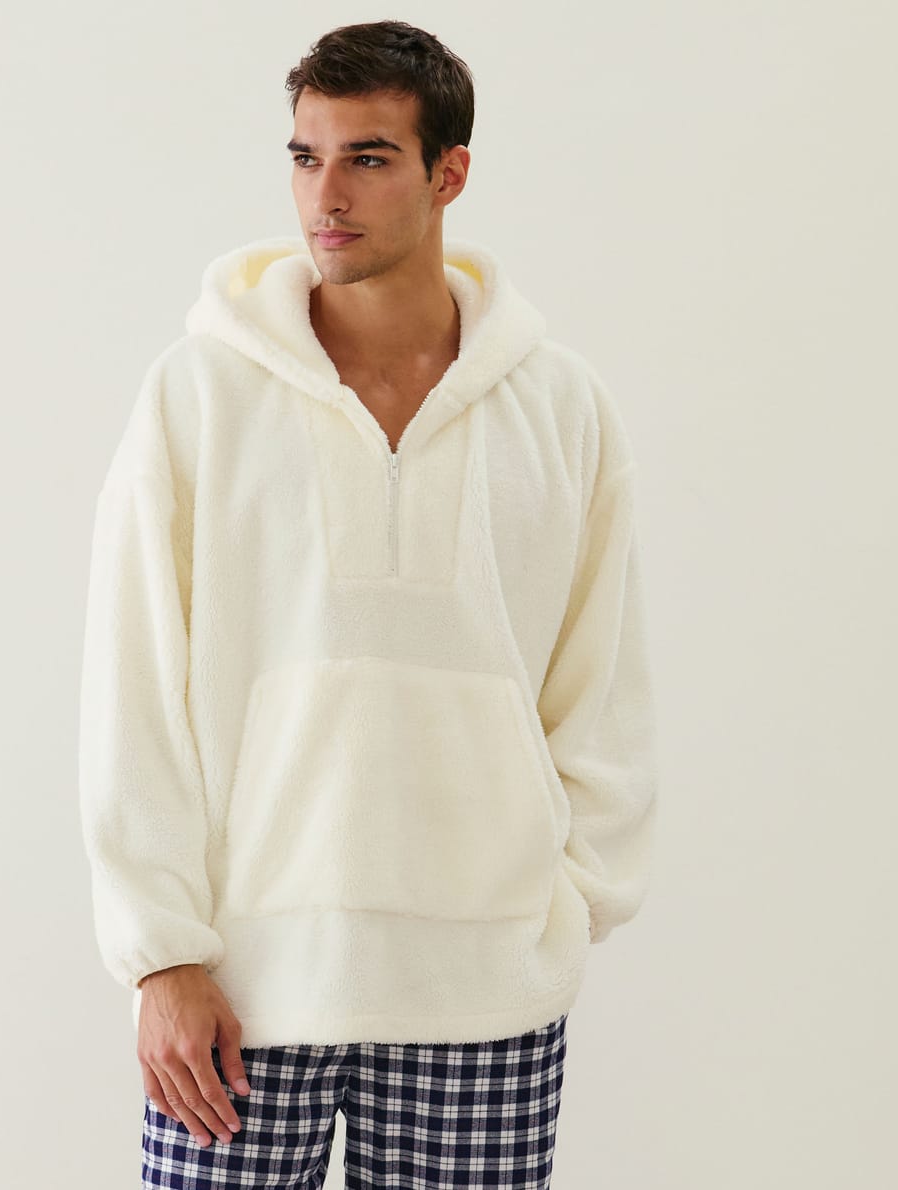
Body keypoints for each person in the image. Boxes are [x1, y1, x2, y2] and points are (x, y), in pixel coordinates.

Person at [78, 18, 659, 1189]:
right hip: (241, 987)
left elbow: (600, 678)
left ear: (450, 172)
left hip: (486, 988)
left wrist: (567, 901)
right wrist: (160, 954)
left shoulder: (561, 406)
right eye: (305, 156)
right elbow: (132, 680)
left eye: (368, 158)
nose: (325, 194)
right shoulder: (200, 394)